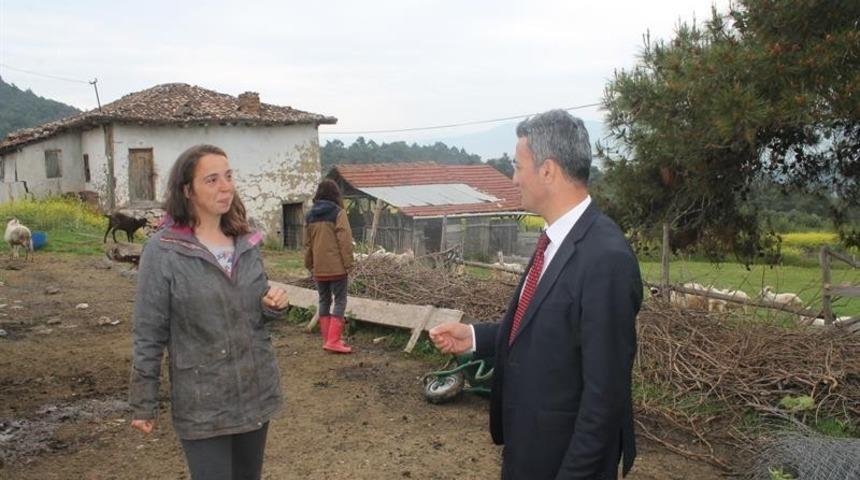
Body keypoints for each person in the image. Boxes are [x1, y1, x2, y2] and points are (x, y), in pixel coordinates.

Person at [429, 110, 643, 479]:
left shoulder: (606, 259)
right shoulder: (554, 241)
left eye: (517, 166)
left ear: (548, 171)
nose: (513, 178)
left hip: (563, 461)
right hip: (529, 449)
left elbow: (604, 398)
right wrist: (476, 337)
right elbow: (545, 329)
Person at [128, 144, 290, 480]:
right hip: (203, 400)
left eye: (228, 177)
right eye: (212, 179)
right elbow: (149, 332)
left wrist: (270, 306)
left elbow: (254, 308)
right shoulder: (163, 251)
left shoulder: (245, 240)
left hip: (254, 389)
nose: (226, 186)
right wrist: (144, 400)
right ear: (187, 190)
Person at [303, 179, 354, 353]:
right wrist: (349, 264)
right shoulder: (338, 213)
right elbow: (345, 240)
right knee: (340, 301)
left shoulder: (309, 215)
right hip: (337, 267)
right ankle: (333, 340)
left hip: (319, 268)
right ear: (335, 194)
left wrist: (309, 264)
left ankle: (327, 339)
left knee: (324, 300)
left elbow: (307, 244)